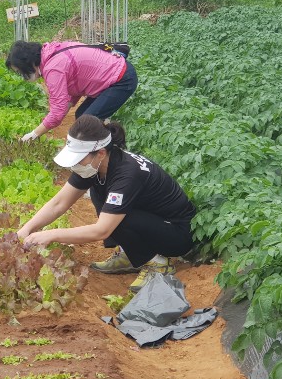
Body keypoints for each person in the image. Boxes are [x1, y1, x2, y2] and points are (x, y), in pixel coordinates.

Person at [17, 115, 196, 293]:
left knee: (116, 217)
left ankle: (158, 264)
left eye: (79, 159)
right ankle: (130, 253)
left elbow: (102, 230)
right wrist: (26, 229)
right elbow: (59, 203)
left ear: (100, 153)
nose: (75, 166)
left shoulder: (127, 174)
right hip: (150, 220)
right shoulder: (95, 165)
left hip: (176, 232)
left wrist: (51, 235)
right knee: (101, 195)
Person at [6, 40, 138, 142]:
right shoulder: (52, 52)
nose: (22, 76)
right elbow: (75, 82)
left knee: (86, 124)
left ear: (27, 63)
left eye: (20, 71)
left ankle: (109, 152)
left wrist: (33, 134)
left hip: (120, 79)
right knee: (82, 116)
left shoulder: (53, 68)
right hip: (109, 77)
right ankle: (105, 142)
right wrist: (64, 107)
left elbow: (57, 112)